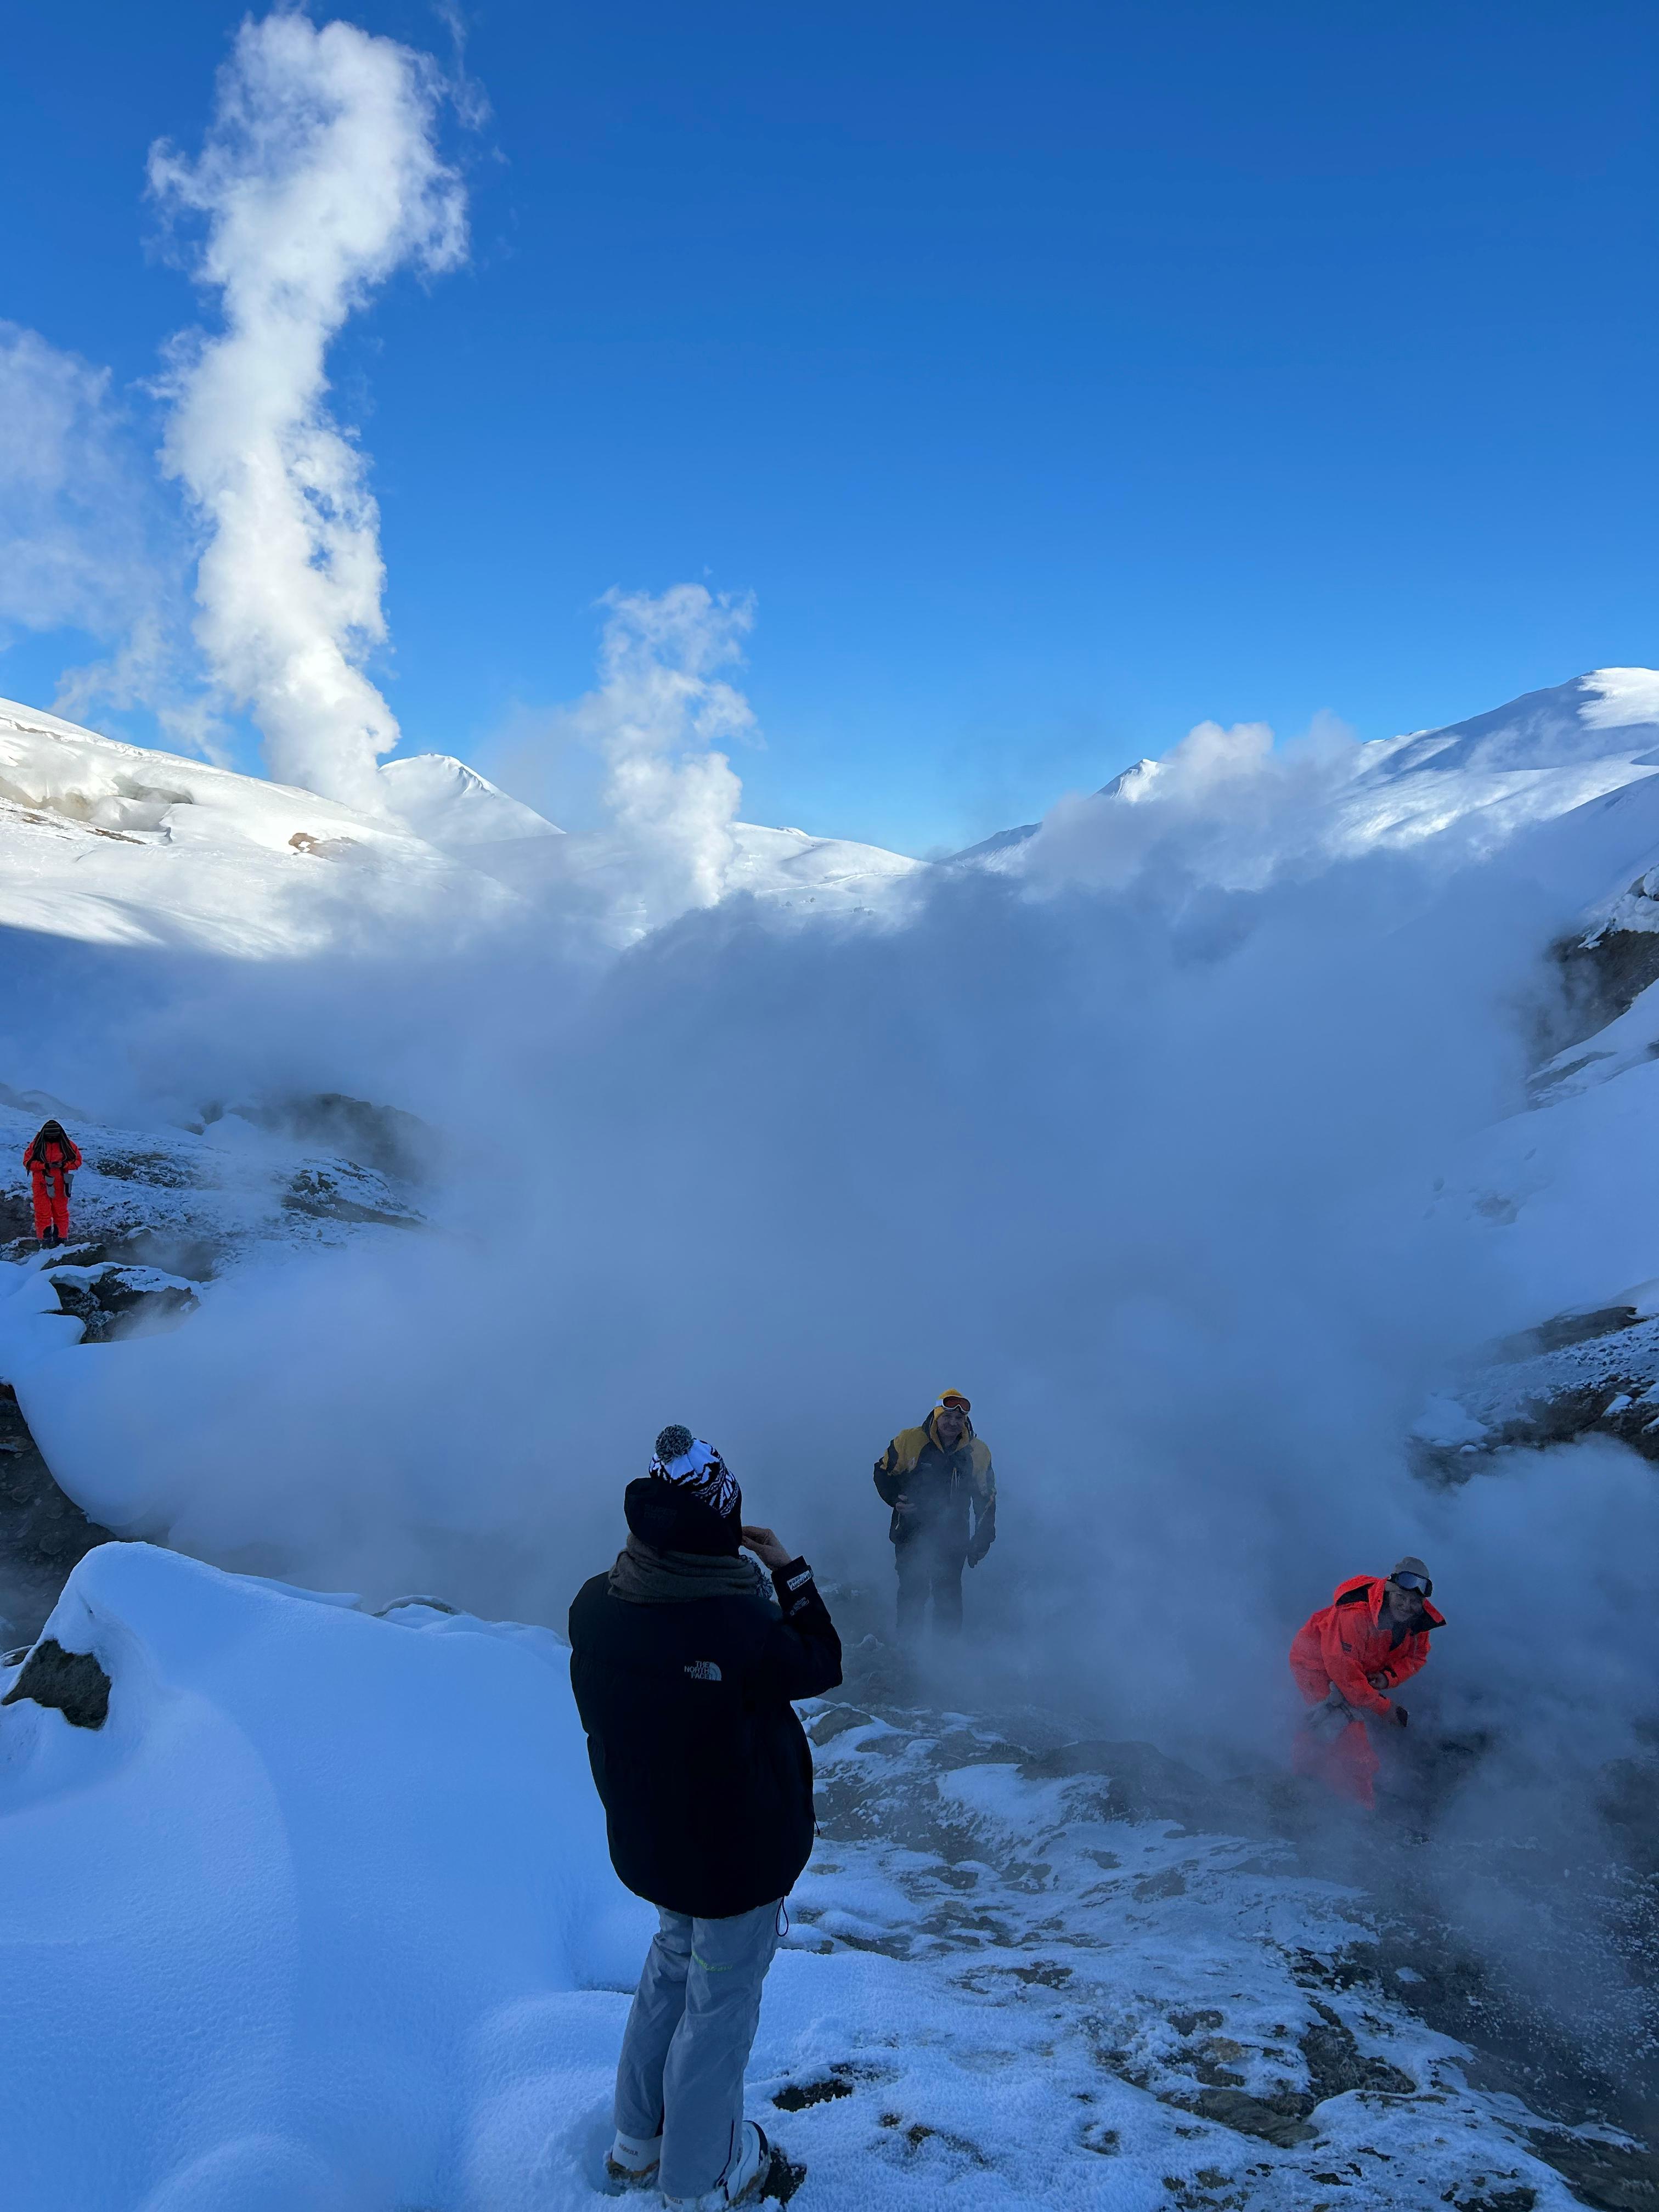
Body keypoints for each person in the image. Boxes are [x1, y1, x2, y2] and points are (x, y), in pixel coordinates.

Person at [569, 1424, 842, 2210]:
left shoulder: (596, 1606)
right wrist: (786, 1568)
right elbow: (821, 1658)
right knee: (719, 2011)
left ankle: (635, 2143)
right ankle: (701, 2182)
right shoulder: (740, 1631)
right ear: (723, 1531)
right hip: (735, 1859)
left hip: (654, 1843)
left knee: (671, 1968)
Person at [1288, 1556, 1443, 1809]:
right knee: (1346, 1733)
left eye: (1415, 1602)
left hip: (1356, 1668)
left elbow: (1417, 1656)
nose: (1407, 1606)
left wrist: (1387, 1677)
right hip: (1316, 1666)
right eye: (1402, 1598)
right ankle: (1357, 1810)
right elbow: (1346, 1677)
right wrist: (1385, 1709)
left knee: (1338, 1719)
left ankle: (1314, 1778)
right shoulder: (1356, 1616)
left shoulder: (1417, 1623)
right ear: (1389, 1592)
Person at [872, 1389, 996, 1641]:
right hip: (910, 1532)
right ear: (937, 1415)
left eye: (959, 1419)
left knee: (948, 1593)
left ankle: (945, 1658)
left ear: (965, 1421)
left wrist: (982, 1540)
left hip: (953, 1536)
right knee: (912, 1591)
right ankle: (908, 1651)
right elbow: (882, 1472)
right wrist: (896, 1500)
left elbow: (986, 1499)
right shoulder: (910, 1441)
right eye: (947, 1416)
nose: (953, 1423)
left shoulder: (977, 1452)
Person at [23, 1120, 81, 1249]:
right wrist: (45, 1166)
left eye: (55, 1138)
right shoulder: (36, 1145)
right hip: (41, 1183)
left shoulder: (68, 1145)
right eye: (50, 1138)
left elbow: (78, 1161)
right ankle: (44, 1239)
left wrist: (65, 1165)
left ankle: (60, 1239)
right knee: (42, 1212)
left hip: (60, 1182)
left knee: (60, 1212)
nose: (52, 1140)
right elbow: (27, 1163)